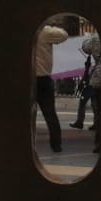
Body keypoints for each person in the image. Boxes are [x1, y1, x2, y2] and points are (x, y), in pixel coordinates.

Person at [31, 18, 66, 154]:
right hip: (43, 78)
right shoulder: (44, 32)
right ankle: (56, 144)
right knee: (50, 113)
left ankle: (27, 141)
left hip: (27, 79)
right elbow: (63, 34)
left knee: (25, 114)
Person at [81, 31, 101, 154]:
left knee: (100, 112)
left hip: (100, 77)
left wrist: (88, 37)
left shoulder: (97, 37)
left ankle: (100, 143)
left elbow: (85, 47)